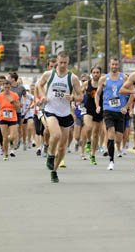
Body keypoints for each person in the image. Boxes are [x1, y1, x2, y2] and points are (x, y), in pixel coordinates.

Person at [36, 51, 82, 183]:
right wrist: (43, 96)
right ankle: (50, 155)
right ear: (57, 61)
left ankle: (54, 170)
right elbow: (39, 85)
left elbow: (80, 96)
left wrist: (73, 97)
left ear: (68, 62)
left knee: (62, 148)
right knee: (56, 135)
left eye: (65, 63)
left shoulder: (72, 78)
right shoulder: (49, 74)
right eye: (60, 62)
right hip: (51, 110)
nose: (62, 65)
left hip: (65, 113)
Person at [95, 57, 130, 171]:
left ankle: (116, 148)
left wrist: (126, 106)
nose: (114, 66)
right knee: (110, 133)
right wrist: (98, 106)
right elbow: (97, 94)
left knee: (119, 138)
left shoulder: (124, 78)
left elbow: (132, 94)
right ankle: (111, 160)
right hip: (108, 110)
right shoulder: (104, 78)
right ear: (109, 65)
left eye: (116, 64)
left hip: (120, 111)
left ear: (118, 65)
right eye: (112, 65)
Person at [0, 80, 20, 160]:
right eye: (5, 87)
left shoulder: (14, 95)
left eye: (8, 87)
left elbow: (18, 107)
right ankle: (6, 154)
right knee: (4, 137)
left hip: (13, 117)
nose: (7, 89)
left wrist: (12, 101)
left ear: (10, 87)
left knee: (13, 136)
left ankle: (8, 141)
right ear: (2, 87)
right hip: (3, 117)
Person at [82, 66, 104, 165]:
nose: (96, 74)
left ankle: (93, 154)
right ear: (91, 73)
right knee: (89, 127)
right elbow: (78, 92)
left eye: (97, 72)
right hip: (88, 109)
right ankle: (88, 141)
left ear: (100, 73)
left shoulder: (103, 84)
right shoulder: (87, 83)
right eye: (94, 72)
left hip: (99, 109)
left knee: (96, 134)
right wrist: (75, 101)